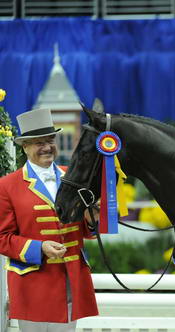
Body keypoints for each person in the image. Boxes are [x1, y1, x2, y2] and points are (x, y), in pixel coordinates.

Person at [0, 109, 98, 331]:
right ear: (24, 147)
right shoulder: (6, 186)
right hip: (33, 285)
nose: (46, 147)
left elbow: (85, 230)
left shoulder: (73, 178)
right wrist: (39, 247)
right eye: (38, 142)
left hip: (71, 280)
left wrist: (92, 220)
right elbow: (2, 238)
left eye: (50, 140)